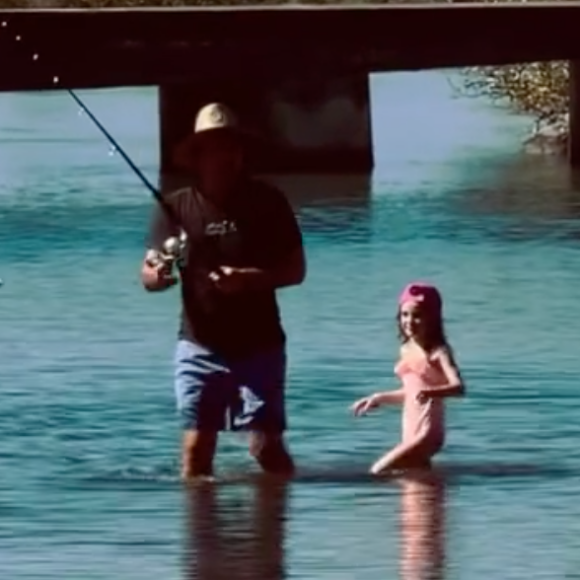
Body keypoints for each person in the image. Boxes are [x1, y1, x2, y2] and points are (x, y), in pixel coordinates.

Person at [141, 103, 306, 481]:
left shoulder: (268, 202)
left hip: (259, 345)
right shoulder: (175, 206)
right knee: (196, 452)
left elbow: (295, 271)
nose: (224, 155)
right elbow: (148, 273)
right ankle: (203, 538)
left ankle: (275, 527)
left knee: (264, 447)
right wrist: (159, 276)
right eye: (214, 147)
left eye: (231, 146)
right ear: (197, 156)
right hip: (199, 345)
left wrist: (248, 279)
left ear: (241, 152)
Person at [351, 282, 465, 474]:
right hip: (410, 429)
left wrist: (431, 392)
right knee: (416, 487)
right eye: (405, 315)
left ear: (432, 318)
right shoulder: (406, 349)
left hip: (427, 433)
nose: (409, 321)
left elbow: (459, 387)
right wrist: (379, 398)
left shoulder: (439, 352)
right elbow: (412, 393)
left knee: (378, 471)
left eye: (418, 315)